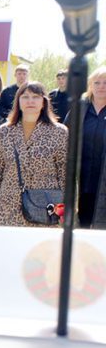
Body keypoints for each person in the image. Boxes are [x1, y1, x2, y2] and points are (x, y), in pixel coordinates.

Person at [0, 82, 67, 227]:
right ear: (18, 102)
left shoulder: (59, 132)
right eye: (25, 97)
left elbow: (66, 173)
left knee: (41, 250)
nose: (30, 101)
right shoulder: (4, 131)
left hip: (46, 207)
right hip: (8, 207)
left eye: (35, 97)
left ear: (43, 102)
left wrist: (67, 209)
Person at [71, 67, 106, 228]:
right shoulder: (80, 108)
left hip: (102, 178)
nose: (101, 86)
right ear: (90, 86)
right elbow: (66, 134)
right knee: (81, 225)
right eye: (97, 82)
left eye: (105, 82)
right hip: (81, 177)